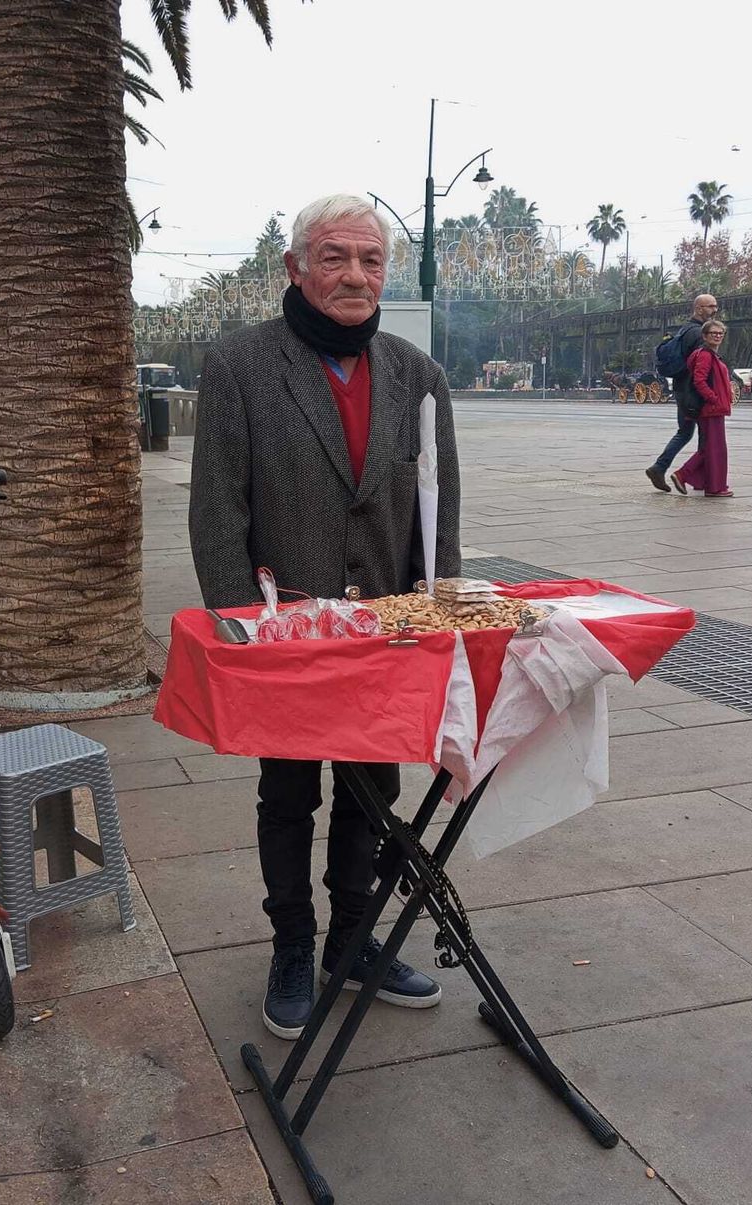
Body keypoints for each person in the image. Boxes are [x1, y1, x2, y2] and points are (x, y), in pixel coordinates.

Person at [189, 193, 462, 1041]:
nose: (354, 275)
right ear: (296, 268)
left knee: (373, 790)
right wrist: (242, 632)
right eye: (335, 257)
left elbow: (438, 511)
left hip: (386, 628)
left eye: (370, 260)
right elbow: (216, 512)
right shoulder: (239, 365)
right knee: (290, 790)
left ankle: (355, 934)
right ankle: (294, 945)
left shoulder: (419, 374)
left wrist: (437, 614)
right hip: (286, 631)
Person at [645, 293, 719, 492]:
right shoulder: (697, 334)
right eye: (710, 306)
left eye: (715, 306)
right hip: (694, 393)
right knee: (704, 438)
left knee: (685, 432)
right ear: (698, 308)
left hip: (683, 389)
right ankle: (684, 474)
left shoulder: (685, 330)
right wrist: (710, 394)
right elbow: (702, 368)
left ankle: (663, 469)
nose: (714, 310)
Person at [670, 319, 734, 498]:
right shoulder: (705, 355)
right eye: (713, 333)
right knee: (713, 449)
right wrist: (713, 398)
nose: (717, 336)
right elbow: (699, 380)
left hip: (714, 408)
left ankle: (709, 483)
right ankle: (684, 475)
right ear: (704, 336)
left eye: (720, 333)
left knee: (712, 448)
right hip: (710, 409)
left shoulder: (709, 355)